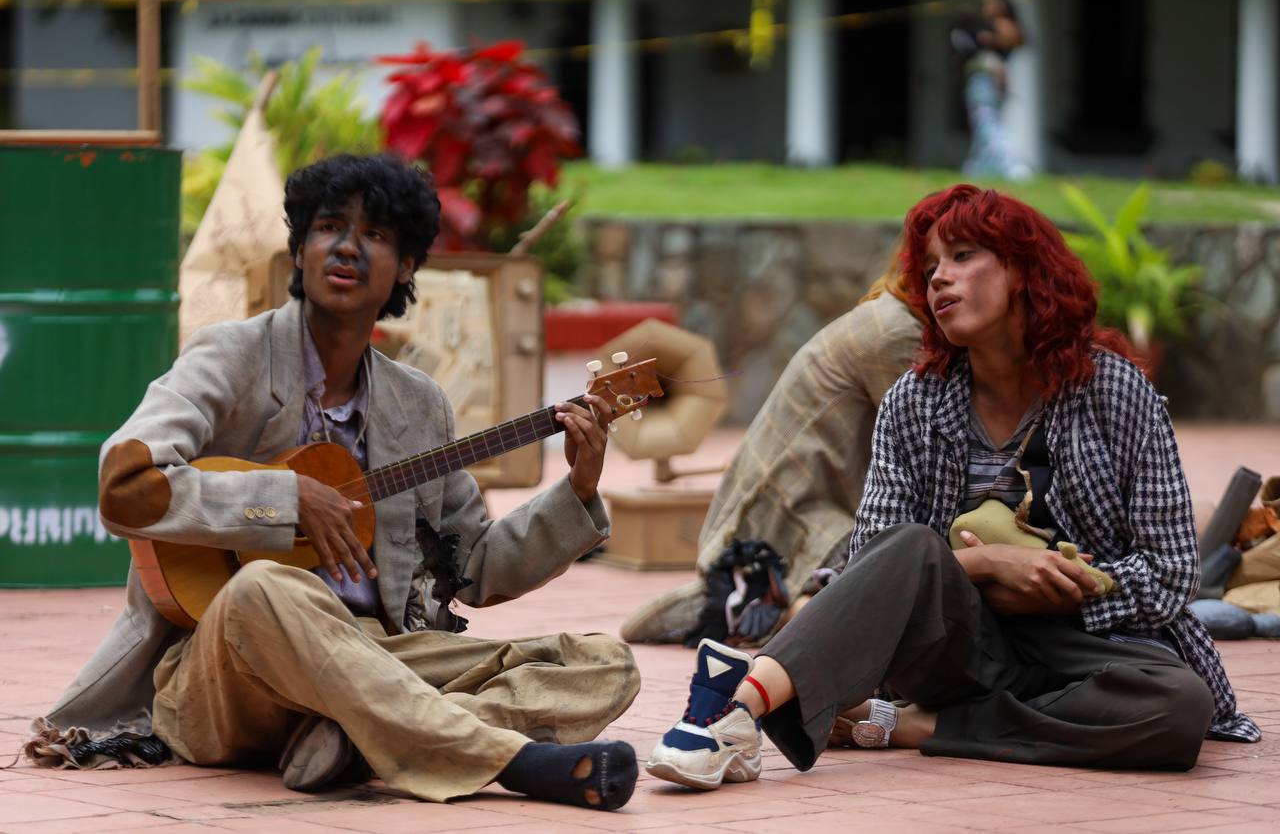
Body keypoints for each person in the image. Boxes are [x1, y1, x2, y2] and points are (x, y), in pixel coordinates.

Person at [24, 154, 642, 811]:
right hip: (226, 671)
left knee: (602, 663)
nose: (347, 246)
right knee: (264, 586)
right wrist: (282, 501)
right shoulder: (231, 357)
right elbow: (126, 483)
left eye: (374, 234)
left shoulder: (418, 405)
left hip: (376, 653)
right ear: (300, 249)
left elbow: (477, 568)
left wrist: (578, 489)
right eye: (328, 227)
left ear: (405, 266)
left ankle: (352, 735)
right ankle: (510, 759)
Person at [646, 184, 1259, 791]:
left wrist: (1063, 593)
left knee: (1180, 707)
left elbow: (1173, 571)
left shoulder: (1115, 392)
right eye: (932, 266)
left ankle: (916, 727)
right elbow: (876, 562)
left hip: (1093, 643)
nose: (939, 277)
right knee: (910, 543)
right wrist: (989, 565)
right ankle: (734, 707)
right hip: (962, 646)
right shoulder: (914, 402)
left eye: (963, 256)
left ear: (1022, 270)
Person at [620, 274, 921, 646]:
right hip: (801, 511)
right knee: (886, 573)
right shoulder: (896, 333)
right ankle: (771, 606)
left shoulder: (884, 313)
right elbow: (921, 457)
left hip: (787, 501)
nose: (944, 278)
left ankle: (748, 602)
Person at [954, 0, 1029, 180]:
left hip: (985, 81)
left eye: (990, 4)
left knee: (987, 123)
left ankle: (1012, 165)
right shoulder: (997, 27)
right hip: (992, 81)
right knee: (983, 124)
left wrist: (988, 40)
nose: (985, 8)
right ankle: (975, 169)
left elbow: (1009, 43)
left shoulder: (999, 26)